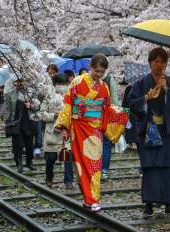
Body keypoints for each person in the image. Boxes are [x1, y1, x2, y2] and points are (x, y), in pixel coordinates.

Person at [55, 53, 129, 212]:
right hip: (78, 126)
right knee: (80, 164)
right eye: (97, 71)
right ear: (90, 67)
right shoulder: (77, 81)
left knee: (94, 163)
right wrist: (64, 127)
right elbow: (68, 104)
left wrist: (122, 114)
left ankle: (93, 199)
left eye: (102, 72)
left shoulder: (104, 86)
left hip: (95, 128)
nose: (99, 75)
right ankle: (87, 198)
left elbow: (108, 107)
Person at [128, 47, 170, 219]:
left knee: (169, 166)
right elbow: (131, 103)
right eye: (156, 61)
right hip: (150, 130)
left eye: (163, 61)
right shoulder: (141, 83)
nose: (159, 65)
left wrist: (166, 88)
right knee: (150, 167)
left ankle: (169, 206)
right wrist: (147, 97)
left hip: (168, 131)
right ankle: (149, 207)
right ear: (150, 62)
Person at [40, 73, 74, 189]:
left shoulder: (70, 97)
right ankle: (49, 176)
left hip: (66, 133)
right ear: (54, 85)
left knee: (68, 158)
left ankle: (69, 181)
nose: (61, 86)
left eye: (63, 84)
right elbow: (42, 114)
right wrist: (53, 115)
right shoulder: (49, 98)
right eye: (58, 84)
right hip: (52, 132)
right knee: (51, 158)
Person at [2, 76, 38, 173]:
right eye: (18, 81)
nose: (20, 83)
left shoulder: (31, 92)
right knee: (17, 145)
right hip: (16, 122)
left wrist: (30, 105)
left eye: (22, 81)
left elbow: (37, 106)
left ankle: (29, 162)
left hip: (29, 121)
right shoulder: (11, 94)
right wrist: (5, 122)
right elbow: (8, 109)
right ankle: (19, 165)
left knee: (30, 145)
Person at [100, 66, 119, 180]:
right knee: (107, 144)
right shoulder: (109, 79)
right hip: (107, 115)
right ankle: (104, 171)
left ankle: (94, 170)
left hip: (93, 116)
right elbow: (115, 100)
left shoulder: (87, 80)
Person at [122, 84, 142, 178]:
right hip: (138, 119)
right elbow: (125, 107)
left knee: (141, 144)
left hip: (137, 119)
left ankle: (143, 168)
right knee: (142, 144)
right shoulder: (130, 87)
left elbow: (125, 107)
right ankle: (144, 168)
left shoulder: (130, 87)